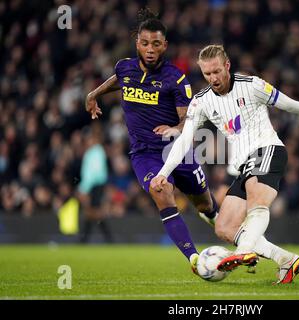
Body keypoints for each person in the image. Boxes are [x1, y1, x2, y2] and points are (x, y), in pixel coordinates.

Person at [151, 45, 299, 284]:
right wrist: (163, 173)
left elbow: (290, 104)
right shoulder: (201, 101)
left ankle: (241, 252)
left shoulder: (252, 85)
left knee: (257, 202)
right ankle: (285, 259)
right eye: (207, 74)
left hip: (268, 149)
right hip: (244, 164)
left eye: (217, 71)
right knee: (224, 227)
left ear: (227, 66)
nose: (213, 78)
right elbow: (185, 140)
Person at [85, 8, 218, 274]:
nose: (149, 49)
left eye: (156, 44)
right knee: (162, 191)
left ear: (164, 45)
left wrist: (174, 129)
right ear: (137, 43)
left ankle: (228, 231)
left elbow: (188, 122)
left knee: (205, 205)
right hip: (145, 154)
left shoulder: (175, 79)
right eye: (144, 43)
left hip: (177, 150)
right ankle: (195, 260)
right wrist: (94, 94)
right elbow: (119, 80)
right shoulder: (125, 68)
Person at [77, 124, 113, 243]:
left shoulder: (97, 151)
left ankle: (103, 238)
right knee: (91, 211)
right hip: (92, 186)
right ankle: (88, 238)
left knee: (93, 211)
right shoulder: (92, 152)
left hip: (96, 185)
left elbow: (95, 173)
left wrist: (84, 188)